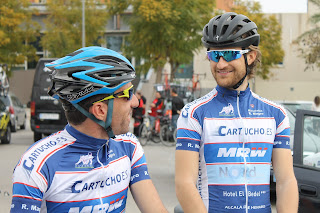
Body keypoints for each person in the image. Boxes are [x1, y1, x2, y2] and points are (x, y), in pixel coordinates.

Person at [10, 46, 168, 213]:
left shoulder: (129, 146)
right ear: (100, 110)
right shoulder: (37, 166)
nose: (135, 102)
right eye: (128, 93)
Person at [175, 12, 299, 213]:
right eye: (214, 55)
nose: (221, 64)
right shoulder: (194, 113)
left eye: (230, 54)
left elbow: (285, 181)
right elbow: (184, 183)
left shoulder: (276, 114)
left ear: (250, 56)